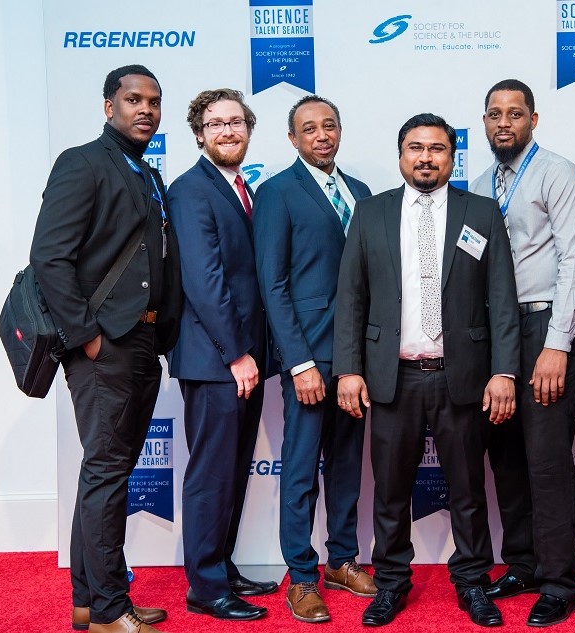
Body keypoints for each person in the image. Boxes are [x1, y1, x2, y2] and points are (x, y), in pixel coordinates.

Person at [334, 113, 520, 627]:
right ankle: (391, 583)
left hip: (461, 375)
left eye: (437, 148)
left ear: (452, 156)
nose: (426, 157)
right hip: (392, 378)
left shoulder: (479, 212)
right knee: (391, 493)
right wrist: (348, 369)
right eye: (415, 147)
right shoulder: (370, 213)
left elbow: (501, 297)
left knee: (467, 490)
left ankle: (472, 582)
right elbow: (350, 298)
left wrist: (504, 372)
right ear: (400, 155)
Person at [29, 65, 181, 633]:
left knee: (102, 473)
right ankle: (112, 610)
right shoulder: (82, 162)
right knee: (108, 473)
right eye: (132, 99)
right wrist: (85, 335)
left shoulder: (146, 173)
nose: (145, 109)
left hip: (141, 339)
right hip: (104, 345)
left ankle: (90, 602)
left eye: (154, 101)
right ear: (107, 107)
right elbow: (49, 256)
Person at [469, 79, 575, 627]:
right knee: (507, 456)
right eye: (494, 114)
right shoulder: (479, 182)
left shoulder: (557, 174)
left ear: (533, 120)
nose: (503, 124)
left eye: (514, 114)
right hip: (497, 333)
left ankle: (560, 580)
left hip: (544, 325)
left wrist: (556, 345)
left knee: (545, 459)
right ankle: (522, 561)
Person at [253, 95, 375, 624]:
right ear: (292, 138)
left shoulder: (363, 194)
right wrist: (298, 362)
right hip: (309, 355)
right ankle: (301, 575)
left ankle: (341, 559)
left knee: (347, 465)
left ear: (340, 131)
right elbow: (272, 285)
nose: (321, 135)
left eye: (329, 126)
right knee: (301, 470)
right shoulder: (277, 192)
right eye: (309, 128)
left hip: (358, 357)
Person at [166, 88, 277, 621]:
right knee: (212, 473)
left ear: (248, 129)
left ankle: (222, 566)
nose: (228, 131)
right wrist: (237, 354)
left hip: (241, 356)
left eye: (236, 122)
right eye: (216, 124)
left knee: (233, 470)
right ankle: (206, 588)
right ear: (199, 133)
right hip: (215, 360)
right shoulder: (191, 190)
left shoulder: (238, 187)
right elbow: (205, 282)